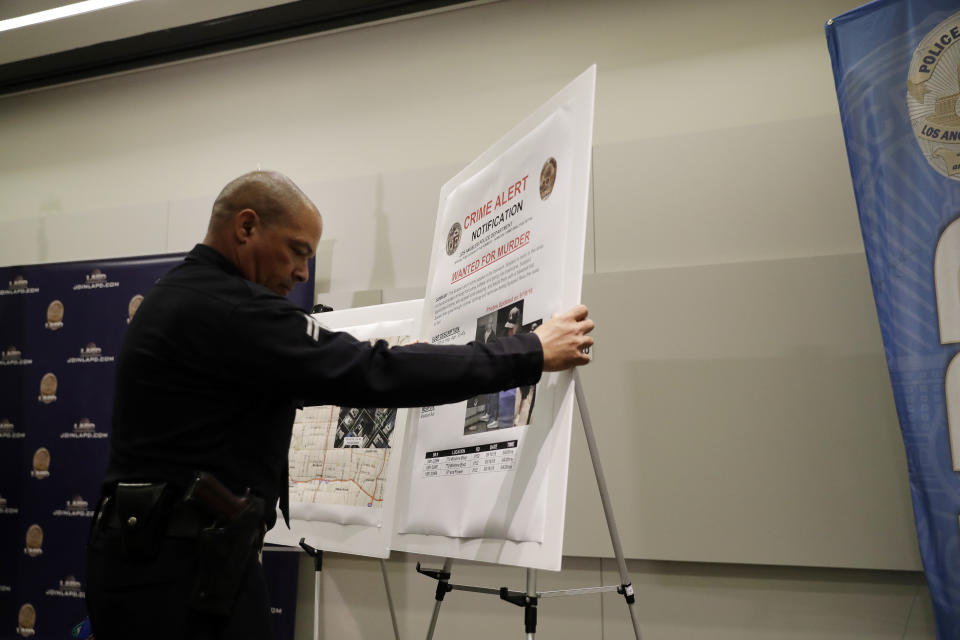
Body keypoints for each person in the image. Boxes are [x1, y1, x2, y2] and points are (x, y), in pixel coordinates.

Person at [85, 171, 594, 640]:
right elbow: (371, 373)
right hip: (178, 577)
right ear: (246, 227)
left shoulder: (185, 293)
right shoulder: (230, 306)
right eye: (296, 251)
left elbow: (267, 388)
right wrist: (529, 350)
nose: (302, 272)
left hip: (158, 562)